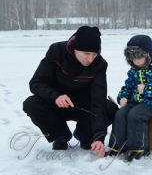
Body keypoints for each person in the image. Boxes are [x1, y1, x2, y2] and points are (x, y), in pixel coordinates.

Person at [23, 26, 118, 158]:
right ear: (75, 48)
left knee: (110, 108)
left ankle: (85, 135)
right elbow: (36, 82)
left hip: (84, 107)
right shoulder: (56, 51)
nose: (90, 59)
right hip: (57, 104)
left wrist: (98, 137)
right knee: (31, 103)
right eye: (86, 53)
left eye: (94, 54)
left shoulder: (100, 64)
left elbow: (98, 101)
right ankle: (60, 135)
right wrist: (55, 96)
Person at [107, 35, 152, 161]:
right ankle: (117, 146)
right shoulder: (135, 70)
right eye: (132, 59)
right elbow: (128, 86)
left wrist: (147, 90)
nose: (136, 62)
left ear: (148, 54)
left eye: (139, 58)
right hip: (137, 102)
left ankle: (138, 148)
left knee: (135, 115)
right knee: (120, 114)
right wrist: (122, 97)